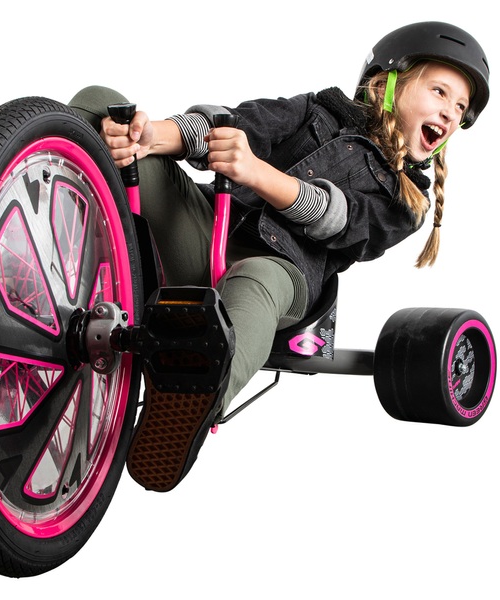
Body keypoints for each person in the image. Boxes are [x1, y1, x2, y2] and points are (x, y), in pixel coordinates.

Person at [68, 21, 489, 493]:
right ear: (388, 83)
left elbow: (338, 219)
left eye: (460, 108)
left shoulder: (406, 199)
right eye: (440, 92)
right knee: (99, 101)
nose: (450, 113)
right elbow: (236, 127)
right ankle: (50, 251)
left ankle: (190, 396)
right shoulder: (316, 111)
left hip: (282, 272)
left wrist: (254, 171)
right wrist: (149, 136)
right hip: (207, 231)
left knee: (255, 281)